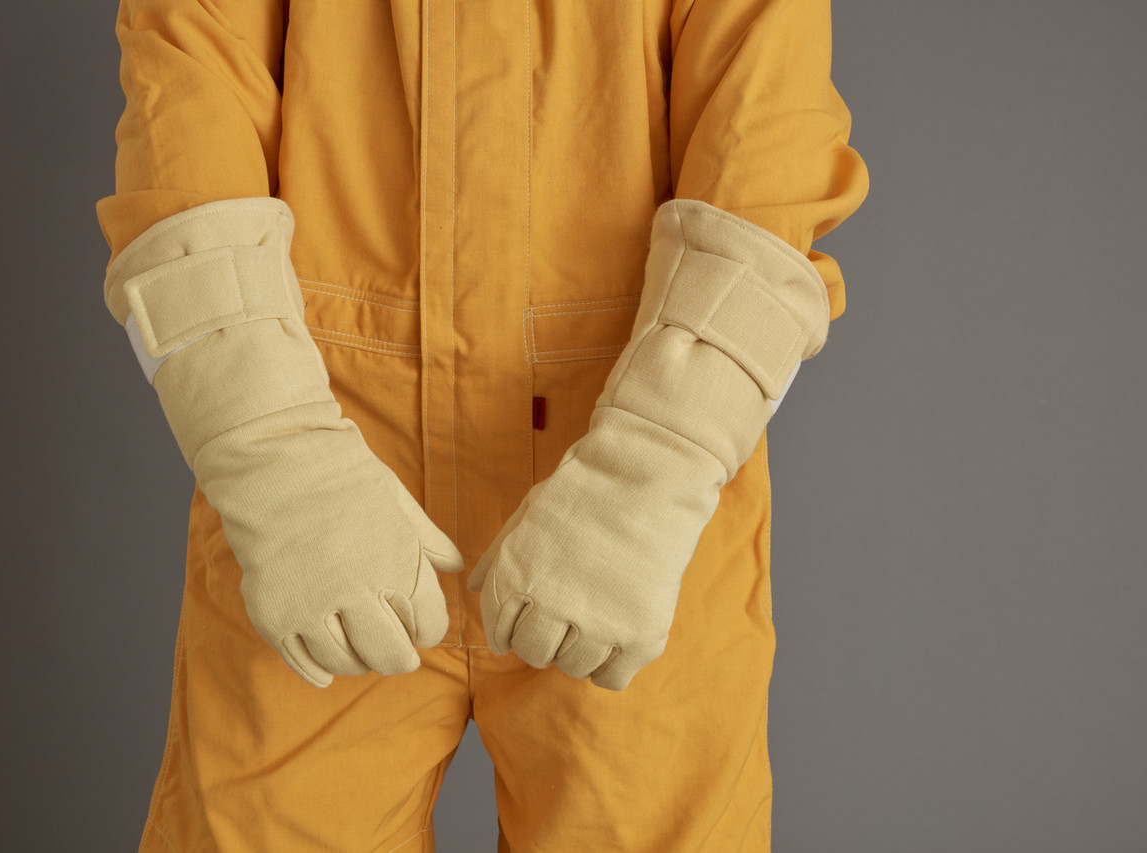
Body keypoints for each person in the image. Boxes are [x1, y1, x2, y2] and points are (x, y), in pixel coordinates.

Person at [96, 1, 869, 850]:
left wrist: (648, 475)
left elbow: (765, 176)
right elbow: (186, 145)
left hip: (630, 529)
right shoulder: (297, 492)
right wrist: (279, 464)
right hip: (320, 516)